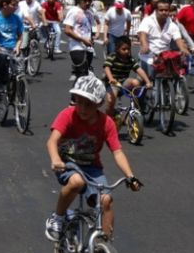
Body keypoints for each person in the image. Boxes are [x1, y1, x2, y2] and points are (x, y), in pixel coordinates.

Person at [44, 75, 142, 242]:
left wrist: (130, 176)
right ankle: (58, 218)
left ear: (98, 104)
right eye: (79, 102)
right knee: (76, 182)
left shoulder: (107, 123)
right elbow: (52, 141)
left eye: (88, 104)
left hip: (92, 168)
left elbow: (117, 152)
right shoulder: (67, 115)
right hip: (67, 164)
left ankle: (104, 248)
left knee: (106, 201)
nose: (82, 108)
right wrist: (55, 159)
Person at [137, 0, 190, 78]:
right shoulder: (147, 21)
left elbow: (178, 40)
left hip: (164, 58)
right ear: (156, 10)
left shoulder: (172, 25)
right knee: (140, 83)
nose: (164, 12)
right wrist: (144, 45)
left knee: (176, 76)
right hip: (147, 57)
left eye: (166, 10)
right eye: (161, 10)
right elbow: (142, 34)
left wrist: (183, 49)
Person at [102, 35, 153, 117]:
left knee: (136, 82)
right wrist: (111, 78)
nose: (126, 51)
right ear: (117, 49)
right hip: (113, 83)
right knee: (110, 101)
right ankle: (109, 117)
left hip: (123, 82)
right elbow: (106, 67)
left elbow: (139, 70)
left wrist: (147, 82)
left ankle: (137, 106)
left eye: (128, 49)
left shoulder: (130, 59)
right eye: (124, 49)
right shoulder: (113, 57)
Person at [63, 0, 97, 79]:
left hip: (88, 48)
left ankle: (77, 89)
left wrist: (93, 36)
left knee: (84, 75)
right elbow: (67, 30)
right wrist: (82, 39)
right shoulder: (73, 11)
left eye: (89, 1)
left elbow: (89, 28)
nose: (87, 3)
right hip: (76, 47)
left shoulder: (90, 13)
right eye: (84, 0)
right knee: (83, 74)